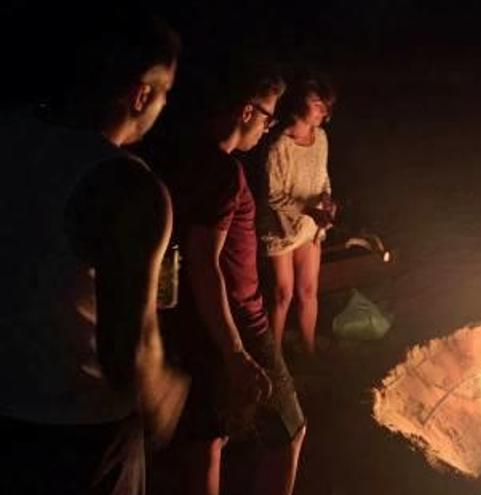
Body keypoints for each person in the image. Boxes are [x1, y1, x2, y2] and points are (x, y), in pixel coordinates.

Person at [0, 15, 188, 494]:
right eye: (165, 94)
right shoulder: (125, 185)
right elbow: (128, 350)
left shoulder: (13, 136)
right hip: (80, 435)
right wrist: (166, 391)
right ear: (142, 94)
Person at [150, 59, 305, 495]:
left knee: (206, 440)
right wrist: (237, 351)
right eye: (268, 116)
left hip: (191, 322)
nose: (268, 128)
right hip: (238, 322)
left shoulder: (185, 158)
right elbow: (206, 262)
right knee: (287, 430)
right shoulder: (222, 172)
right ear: (246, 111)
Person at [253, 74, 337, 356]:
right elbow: (273, 195)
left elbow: (323, 176)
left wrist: (326, 199)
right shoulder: (279, 145)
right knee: (282, 294)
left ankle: (309, 351)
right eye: (316, 103)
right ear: (299, 103)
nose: (322, 110)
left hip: (309, 225)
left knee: (308, 292)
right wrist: (308, 209)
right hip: (280, 226)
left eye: (325, 105)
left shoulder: (321, 138)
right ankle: (274, 360)